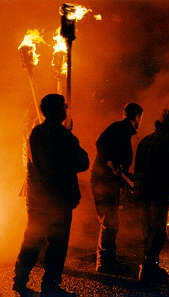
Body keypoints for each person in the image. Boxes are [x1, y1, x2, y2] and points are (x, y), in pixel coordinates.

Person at [13, 94, 89, 296]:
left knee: (32, 239)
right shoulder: (63, 136)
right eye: (63, 106)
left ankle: (19, 279)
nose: (66, 109)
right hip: (58, 200)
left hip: (38, 199)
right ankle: (50, 285)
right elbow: (82, 162)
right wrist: (70, 138)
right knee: (57, 243)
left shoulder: (36, 133)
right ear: (58, 110)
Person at [91, 102, 143, 273]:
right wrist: (111, 164)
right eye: (140, 117)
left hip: (109, 182)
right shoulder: (119, 128)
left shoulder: (123, 131)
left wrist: (125, 179)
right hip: (103, 181)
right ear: (136, 117)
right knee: (109, 221)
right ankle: (104, 263)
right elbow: (100, 142)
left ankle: (107, 260)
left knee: (111, 221)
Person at [134, 109, 169, 282]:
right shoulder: (168, 143)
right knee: (158, 231)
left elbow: (137, 168)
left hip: (144, 193)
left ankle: (146, 265)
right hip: (159, 194)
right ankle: (149, 268)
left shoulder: (146, 140)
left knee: (147, 230)